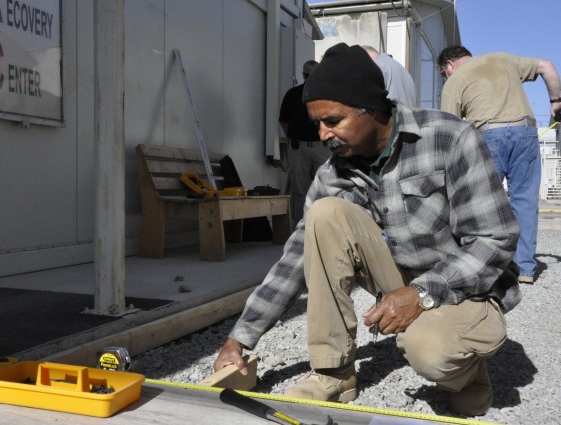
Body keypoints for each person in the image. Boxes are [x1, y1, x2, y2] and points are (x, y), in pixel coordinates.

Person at [214, 43, 522, 417]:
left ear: (373, 109)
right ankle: (333, 373)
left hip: (465, 287)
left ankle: (469, 374)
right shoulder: (333, 172)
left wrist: (421, 294)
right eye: (318, 125)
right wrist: (239, 339)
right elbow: (295, 257)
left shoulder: (448, 138)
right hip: (398, 278)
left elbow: (494, 240)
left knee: (432, 354)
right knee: (324, 214)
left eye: (333, 121)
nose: (324, 135)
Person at [438, 45, 561, 284]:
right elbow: (547, 67)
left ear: (449, 66)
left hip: (487, 136)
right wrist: (556, 101)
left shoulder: (454, 81)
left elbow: (449, 128)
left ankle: (487, 265)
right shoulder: (503, 58)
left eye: (444, 73)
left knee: (484, 203)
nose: (446, 77)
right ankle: (524, 268)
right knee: (524, 200)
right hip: (525, 131)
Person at [279, 60, 331, 226]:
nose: (309, 78)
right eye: (306, 75)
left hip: (321, 147)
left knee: (324, 189)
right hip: (298, 147)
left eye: (313, 75)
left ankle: (322, 226)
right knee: (300, 190)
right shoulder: (293, 94)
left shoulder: (327, 96)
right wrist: (294, 137)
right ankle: (301, 228)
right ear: (302, 75)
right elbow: (284, 121)